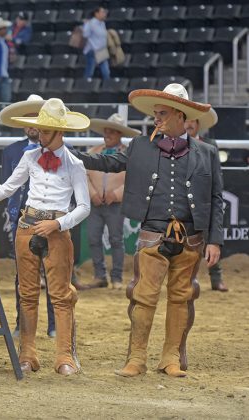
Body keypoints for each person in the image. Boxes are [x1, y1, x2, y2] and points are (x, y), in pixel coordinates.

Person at [73, 83, 224, 378]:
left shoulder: (207, 152)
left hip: (191, 238)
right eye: (155, 114)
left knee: (182, 296)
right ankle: (137, 358)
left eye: (162, 113)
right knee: (143, 295)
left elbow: (216, 198)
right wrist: (71, 154)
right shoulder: (141, 146)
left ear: (180, 115)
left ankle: (170, 358)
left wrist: (215, 240)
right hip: (152, 233)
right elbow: (108, 162)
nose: (156, 119)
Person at [0, 98, 91, 375]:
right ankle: (27, 355)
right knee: (26, 293)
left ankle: (64, 356)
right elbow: (7, 188)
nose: (40, 135)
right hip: (27, 226)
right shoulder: (30, 157)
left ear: (60, 132)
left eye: (45, 130)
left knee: (61, 295)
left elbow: (85, 207)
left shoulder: (75, 164)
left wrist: (58, 224)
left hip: (55, 230)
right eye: (39, 130)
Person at [0, 94, 56, 338]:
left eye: (37, 119)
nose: (33, 125)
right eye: (28, 119)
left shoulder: (60, 150)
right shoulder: (11, 151)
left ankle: (54, 324)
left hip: (52, 217)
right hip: (20, 218)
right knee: (23, 273)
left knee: (54, 271)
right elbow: (6, 186)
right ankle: (21, 322)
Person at [85, 113, 141, 289]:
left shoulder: (128, 154)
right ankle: (100, 275)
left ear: (119, 134)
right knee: (94, 238)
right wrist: (92, 193)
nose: (107, 135)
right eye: (106, 131)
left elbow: (134, 179)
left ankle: (116, 277)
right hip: (95, 203)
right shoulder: (93, 151)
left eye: (112, 132)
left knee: (116, 239)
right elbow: (83, 176)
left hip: (115, 204)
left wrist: (116, 194)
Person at [184, 108, 228, 292]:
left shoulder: (210, 145)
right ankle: (184, 279)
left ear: (198, 124)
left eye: (193, 121)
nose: (190, 124)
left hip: (204, 197)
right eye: (187, 120)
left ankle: (216, 278)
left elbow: (216, 174)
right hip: (184, 199)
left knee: (211, 237)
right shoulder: (176, 145)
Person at [82, 6, 110, 80]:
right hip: (92, 49)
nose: (105, 14)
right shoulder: (91, 23)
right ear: (96, 13)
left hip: (101, 50)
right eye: (102, 12)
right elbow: (85, 34)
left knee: (106, 72)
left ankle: (106, 87)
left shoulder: (102, 23)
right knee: (89, 71)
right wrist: (85, 25)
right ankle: (85, 86)